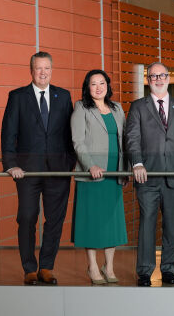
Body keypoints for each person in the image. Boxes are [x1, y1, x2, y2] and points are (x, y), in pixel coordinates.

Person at [1, 51, 75, 285]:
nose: (42, 72)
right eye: (38, 68)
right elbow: (8, 133)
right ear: (31, 70)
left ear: (52, 70)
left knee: (55, 220)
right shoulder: (17, 97)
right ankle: (29, 268)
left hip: (57, 170)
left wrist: (70, 164)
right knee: (26, 217)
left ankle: (46, 267)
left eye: (47, 68)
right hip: (27, 170)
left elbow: (70, 134)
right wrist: (11, 164)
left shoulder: (63, 96)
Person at [125, 62, 174, 287]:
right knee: (147, 225)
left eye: (162, 75)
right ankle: (144, 272)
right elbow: (132, 138)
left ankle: (169, 269)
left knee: (172, 225)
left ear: (169, 78)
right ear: (148, 80)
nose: (158, 80)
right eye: (154, 77)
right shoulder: (138, 107)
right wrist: (137, 164)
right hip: (147, 177)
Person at [71, 69, 128, 285]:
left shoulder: (117, 108)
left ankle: (109, 266)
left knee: (111, 221)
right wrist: (90, 165)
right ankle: (93, 266)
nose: (98, 87)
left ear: (107, 85)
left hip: (115, 172)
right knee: (92, 222)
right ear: (87, 87)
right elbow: (78, 141)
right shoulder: (81, 108)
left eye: (101, 83)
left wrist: (126, 168)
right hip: (92, 173)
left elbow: (125, 140)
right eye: (93, 84)